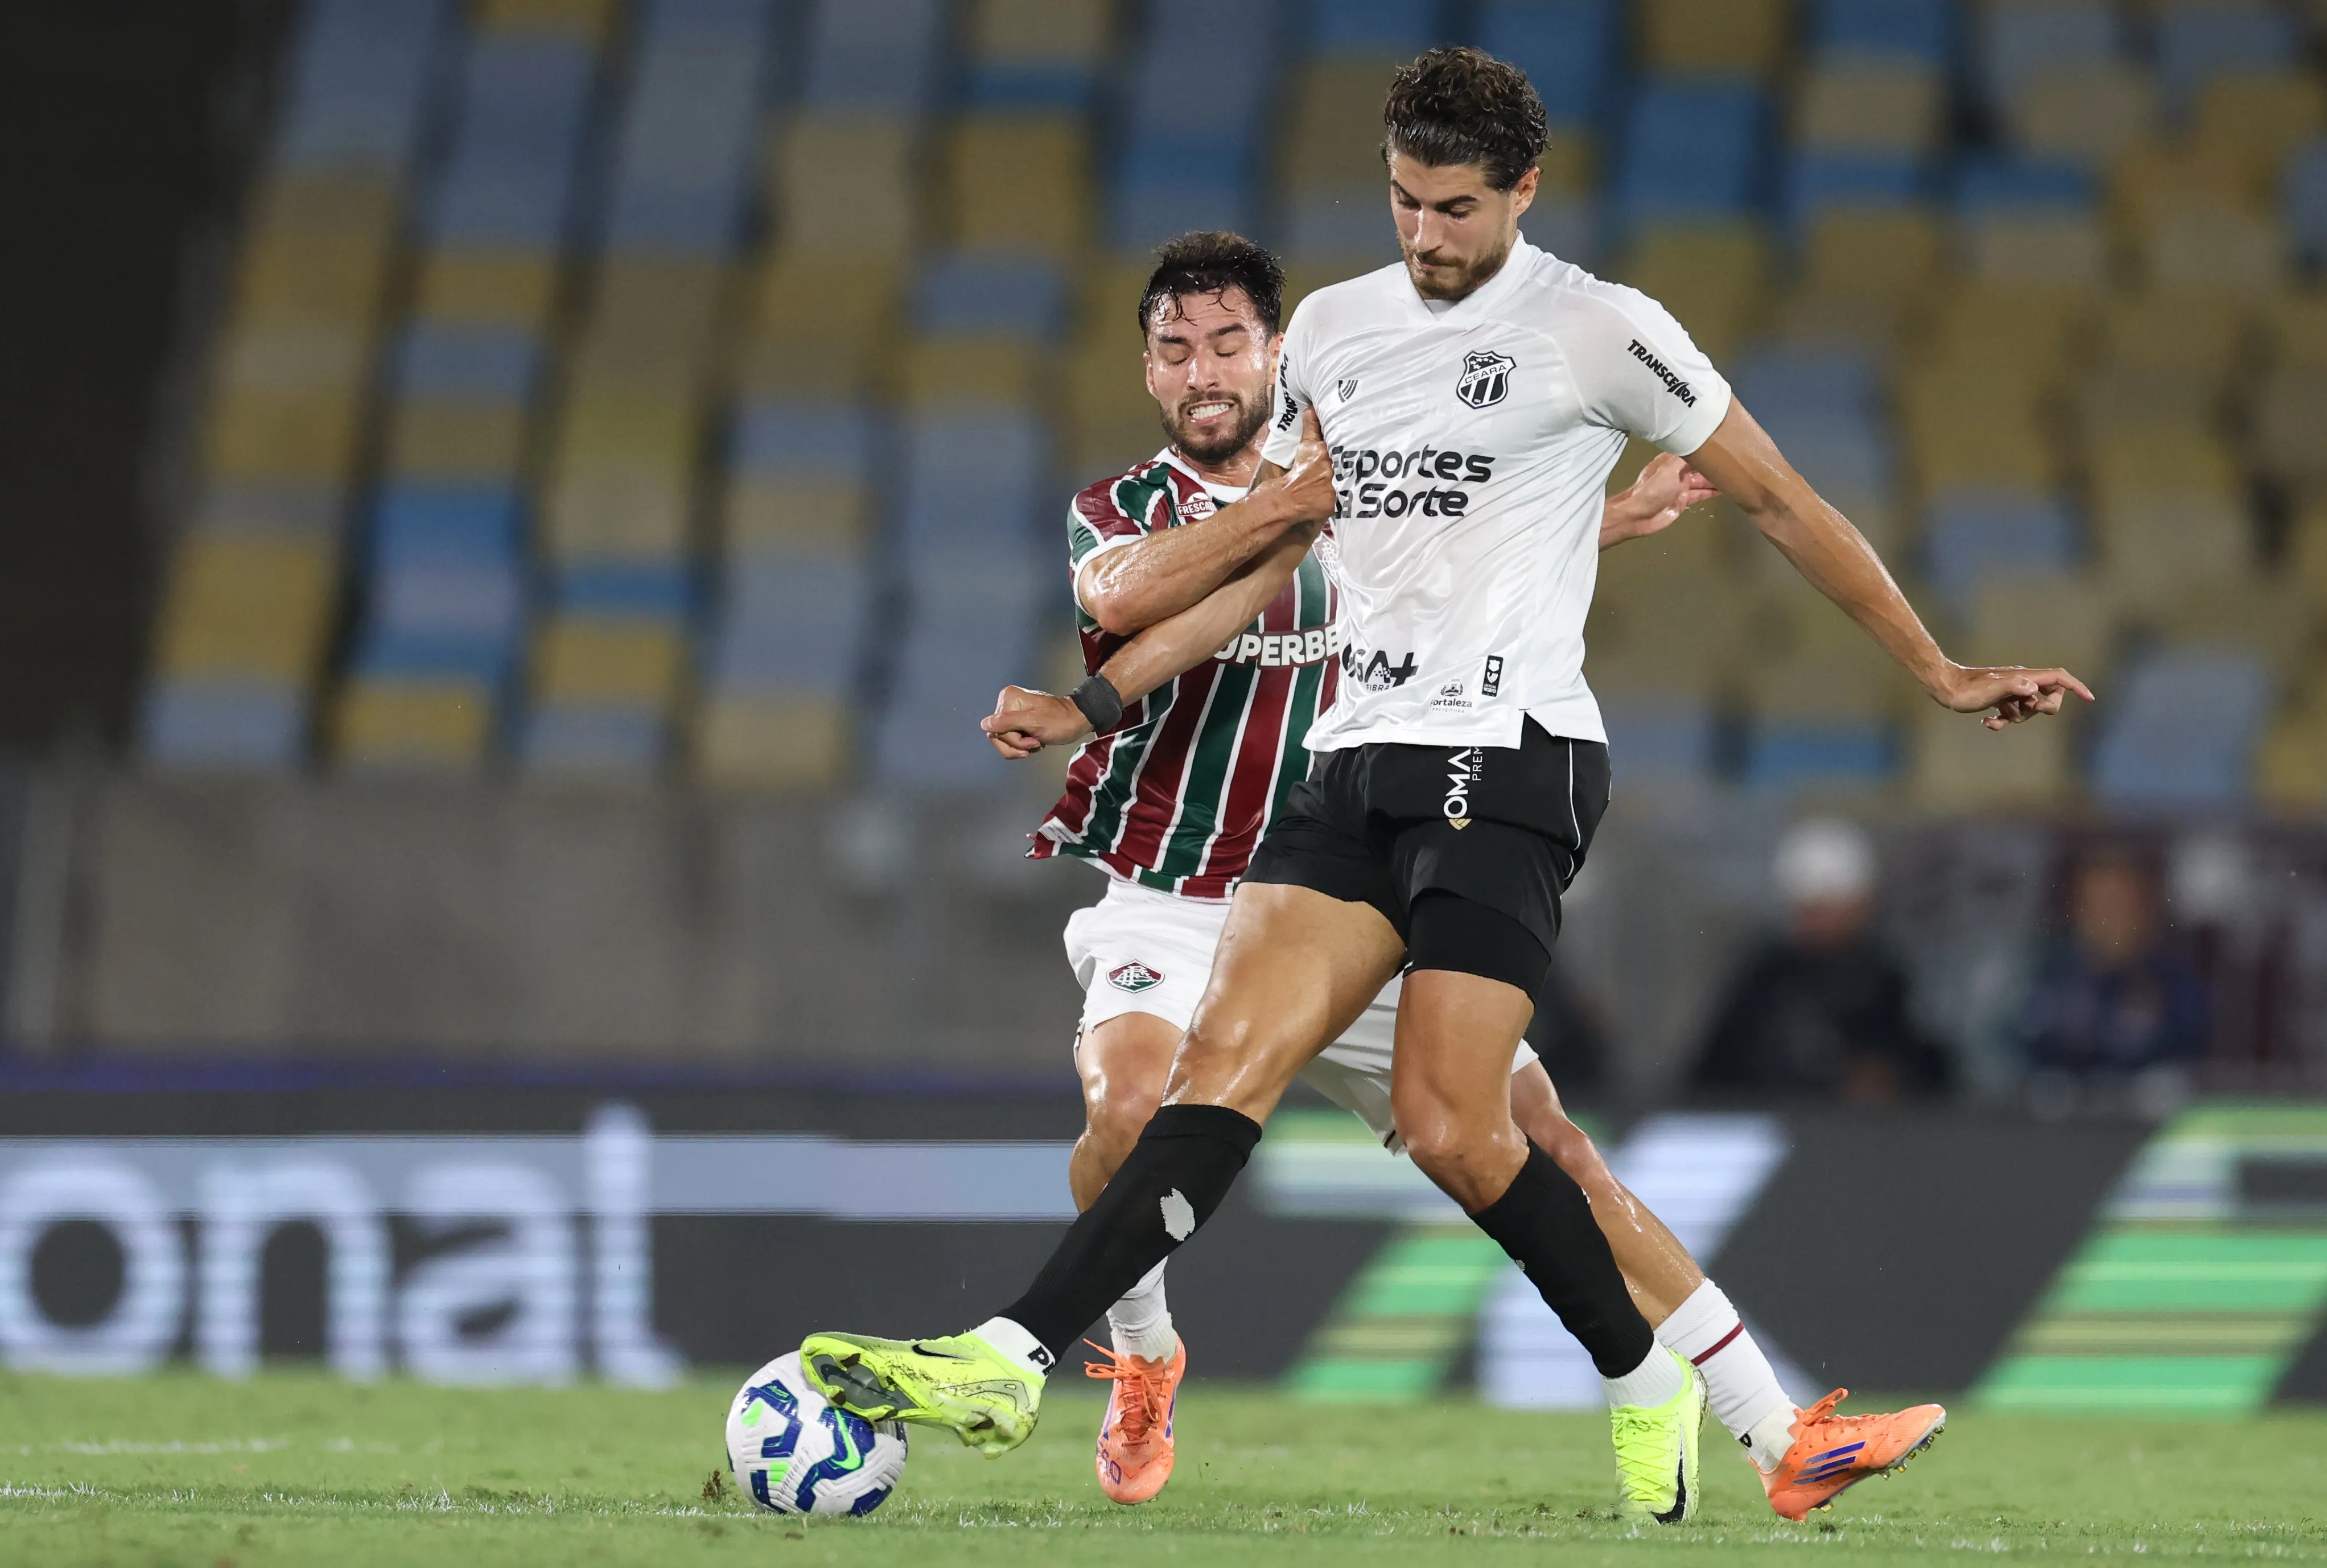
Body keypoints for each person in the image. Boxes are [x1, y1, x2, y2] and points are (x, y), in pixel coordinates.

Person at [798, 46, 2086, 1522]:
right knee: (1179, 1096)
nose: (1425, 233)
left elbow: (1726, 509)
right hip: (1271, 825)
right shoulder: (1255, 401)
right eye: (1406, 201)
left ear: (1522, 191)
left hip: (1454, 797)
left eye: (1455, 207)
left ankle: (1746, 1413)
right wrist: (1094, 698)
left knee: (1491, 1135)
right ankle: (1058, 1355)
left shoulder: (1569, 343)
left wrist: (1926, 663)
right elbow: (1245, 573)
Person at [1003, 230, 1764, 1509]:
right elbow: (1129, 600)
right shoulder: (1123, 509)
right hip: (1179, 896)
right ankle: (1143, 1354)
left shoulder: (1367, 465)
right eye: (1174, 349)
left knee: (1545, 1147)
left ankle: (1764, 1418)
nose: (1202, 371)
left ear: (1275, 353)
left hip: (1346, 893)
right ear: (1146, 370)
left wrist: (1609, 519)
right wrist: (1293, 504)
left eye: (1228, 343)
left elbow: (1461, 570)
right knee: (1125, 1114)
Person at [1691, 818, 1949, 1105]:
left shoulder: (1891, 977)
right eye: (1806, 910)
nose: (1814, 923)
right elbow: (1711, 1077)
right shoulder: (1765, 977)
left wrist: (1891, 1080)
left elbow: (1935, 1073)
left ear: (1862, 904)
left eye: (1826, 908)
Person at [2018, 845, 2209, 1116]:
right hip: (2063, 1119)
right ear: (2077, 911)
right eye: (2097, 906)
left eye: (2121, 906)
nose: (2108, 920)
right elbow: (2025, 1046)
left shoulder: (2174, 982)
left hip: (2149, 1118)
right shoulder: (2049, 974)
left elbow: (2191, 1045)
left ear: (2146, 912)